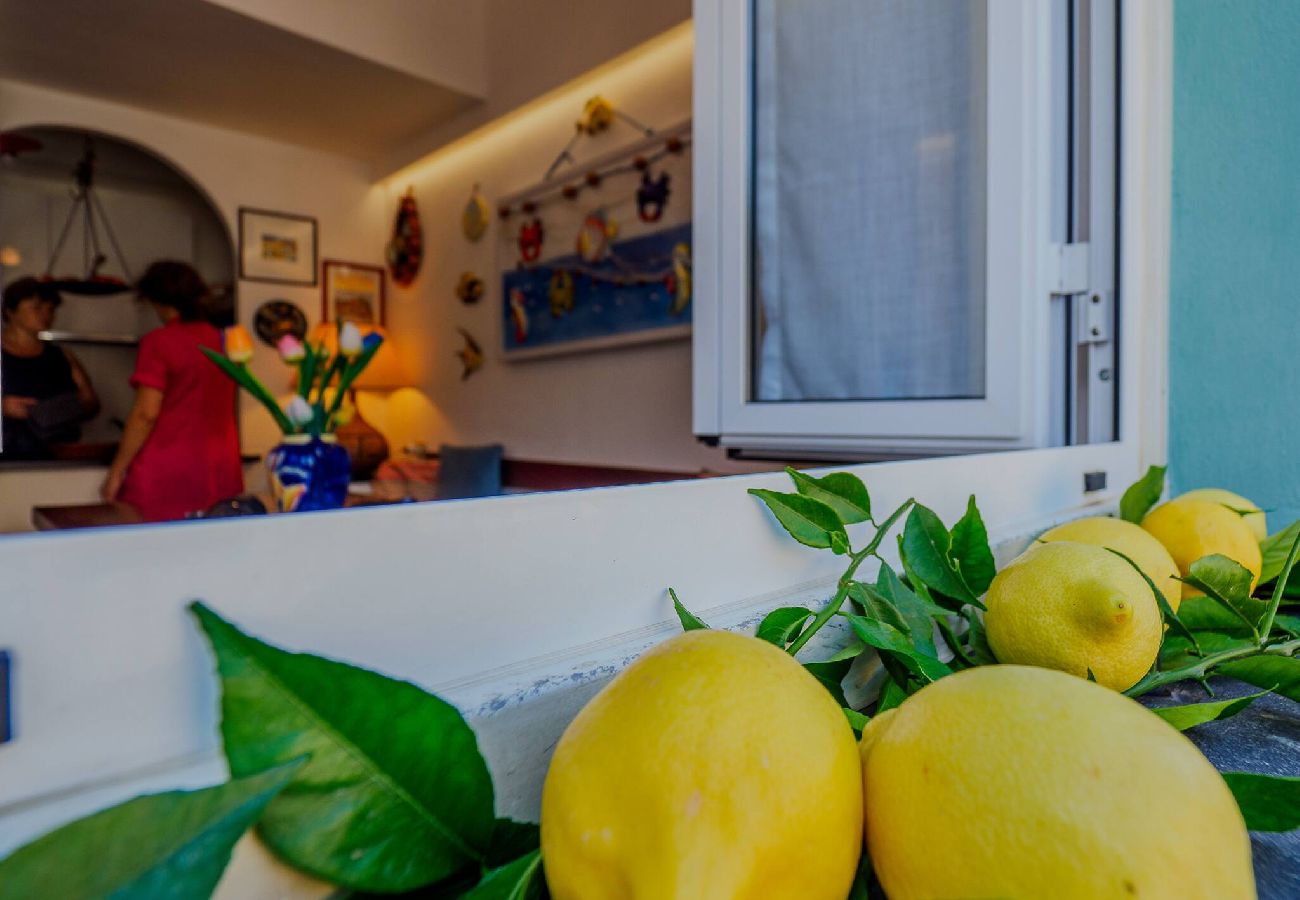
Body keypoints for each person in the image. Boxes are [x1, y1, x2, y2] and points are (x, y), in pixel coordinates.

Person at [102, 261, 242, 520]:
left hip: (168, 469)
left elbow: (146, 414)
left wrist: (117, 470)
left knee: (156, 542)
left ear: (157, 300)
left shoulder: (159, 342)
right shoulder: (226, 343)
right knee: (215, 540)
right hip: (220, 468)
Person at [1, 277, 99, 459]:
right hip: (9, 456)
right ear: (11, 311)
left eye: (51, 309)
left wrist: (58, 411)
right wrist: (3, 407)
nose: (45, 314)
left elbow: (91, 402)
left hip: (57, 454)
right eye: (36, 307)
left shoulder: (62, 355)